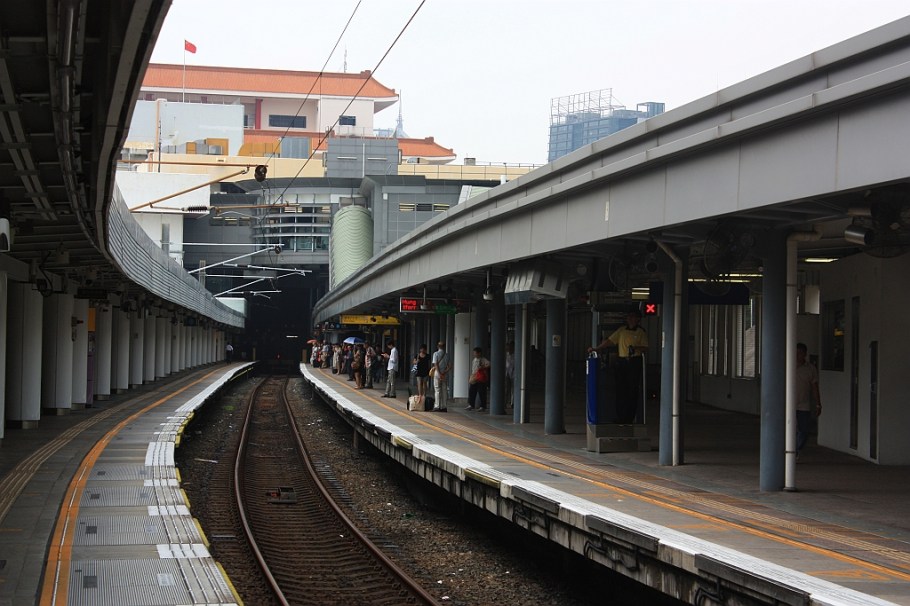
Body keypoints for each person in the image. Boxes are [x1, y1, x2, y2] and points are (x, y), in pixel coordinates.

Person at [590, 308, 648, 423]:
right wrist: (596, 348)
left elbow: (645, 347)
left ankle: (629, 417)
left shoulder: (641, 332)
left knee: (632, 390)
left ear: (638, 319)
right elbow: (610, 341)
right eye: (629, 317)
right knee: (621, 390)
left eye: (633, 317)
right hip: (622, 362)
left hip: (634, 362)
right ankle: (620, 416)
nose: (630, 319)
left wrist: (635, 348)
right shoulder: (621, 331)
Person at [796, 342, 821, 458]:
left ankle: (796, 448)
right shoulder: (787, 365)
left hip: (803, 404)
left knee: (804, 430)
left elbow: (814, 387)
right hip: (788, 404)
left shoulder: (810, 369)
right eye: (795, 352)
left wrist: (818, 404)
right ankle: (791, 451)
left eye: (800, 353)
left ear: (805, 354)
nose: (797, 355)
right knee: (787, 429)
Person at [466, 346, 491, 411]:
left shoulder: (483, 359)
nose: (474, 354)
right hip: (474, 377)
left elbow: (489, 364)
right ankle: (471, 405)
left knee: (482, 392)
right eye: (474, 353)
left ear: (479, 353)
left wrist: (482, 367)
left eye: (475, 353)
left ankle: (483, 406)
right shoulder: (474, 360)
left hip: (480, 378)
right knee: (472, 391)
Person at [431, 341, 450, 412]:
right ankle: (444, 406)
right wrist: (444, 372)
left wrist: (439, 373)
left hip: (437, 374)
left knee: (437, 390)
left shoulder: (435, 354)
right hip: (444, 374)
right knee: (444, 390)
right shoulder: (447, 355)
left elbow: (435, 364)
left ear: (438, 346)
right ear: (444, 346)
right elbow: (450, 366)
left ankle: (437, 406)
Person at [504, 342, 514, 409]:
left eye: (510, 347)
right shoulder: (505, 355)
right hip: (506, 374)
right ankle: (505, 403)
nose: (508, 349)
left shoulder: (516, 355)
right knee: (506, 389)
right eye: (507, 348)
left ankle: (513, 403)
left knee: (513, 389)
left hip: (514, 374)